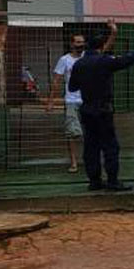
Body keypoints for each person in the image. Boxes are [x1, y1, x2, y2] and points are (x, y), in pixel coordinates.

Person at [68, 31, 134, 191]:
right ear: (101, 47)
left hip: (87, 109)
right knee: (110, 146)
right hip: (103, 109)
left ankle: (94, 181)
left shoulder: (78, 64)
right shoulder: (104, 61)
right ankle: (112, 180)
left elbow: (72, 87)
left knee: (91, 146)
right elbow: (124, 61)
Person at [47, 33, 87, 173]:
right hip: (71, 100)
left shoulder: (88, 57)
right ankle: (74, 162)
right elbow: (57, 80)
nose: (80, 45)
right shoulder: (64, 60)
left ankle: (88, 159)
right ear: (72, 44)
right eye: (77, 42)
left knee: (89, 131)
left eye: (82, 42)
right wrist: (51, 101)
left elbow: (105, 49)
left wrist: (113, 33)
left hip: (87, 99)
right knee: (72, 133)